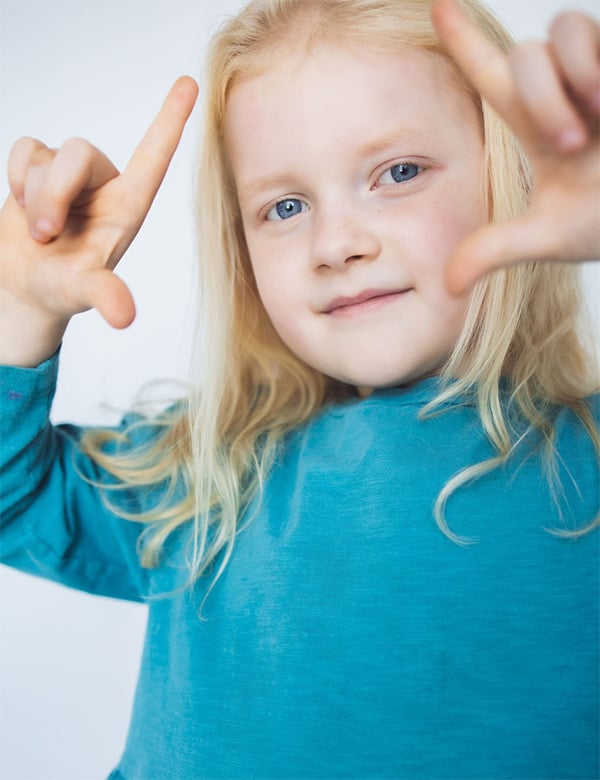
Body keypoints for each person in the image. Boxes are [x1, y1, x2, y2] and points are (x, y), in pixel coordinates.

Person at [1, 0, 598, 777]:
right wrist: (18, 309)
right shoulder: (211, 466)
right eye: (285, 206)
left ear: (512, 172)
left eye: (399, 173)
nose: (336, 244)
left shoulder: (583, 459)